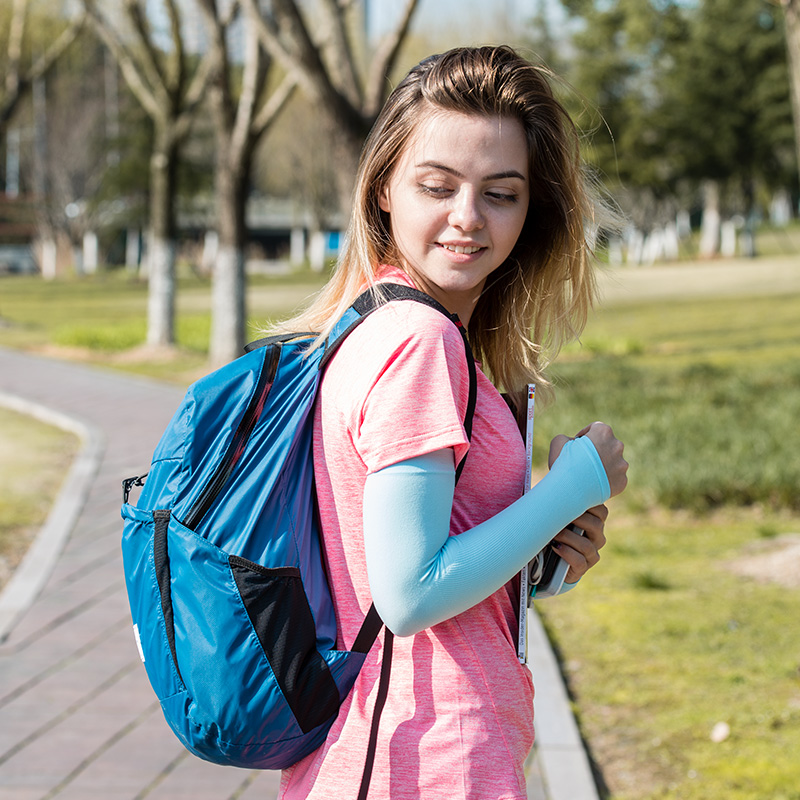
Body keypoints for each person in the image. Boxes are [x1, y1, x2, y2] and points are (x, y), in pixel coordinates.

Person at [272, 44, 628, 800]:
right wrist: (572, 487)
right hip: (428, 760)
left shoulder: (376, 327)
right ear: (384, 193)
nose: (467, 218)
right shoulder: (418, 342)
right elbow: (408, 594)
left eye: (501, 194)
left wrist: (538, 564)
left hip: (392, 750)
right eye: (438, 186)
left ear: (532, 212)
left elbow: (394, 571)